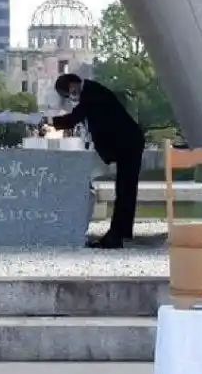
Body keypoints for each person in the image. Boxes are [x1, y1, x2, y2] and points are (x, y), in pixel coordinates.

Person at [48, 73, 145, 249]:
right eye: (68, 95)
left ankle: (116, 236)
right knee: (125, 190)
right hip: (129, 142)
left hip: (128, 142)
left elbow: (73, 119)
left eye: (69, 93)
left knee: (125, 190)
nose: (71, 97)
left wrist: (48, 121)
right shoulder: (91, 91)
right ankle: (120, 233)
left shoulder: (91, 93)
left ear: (73, 84)